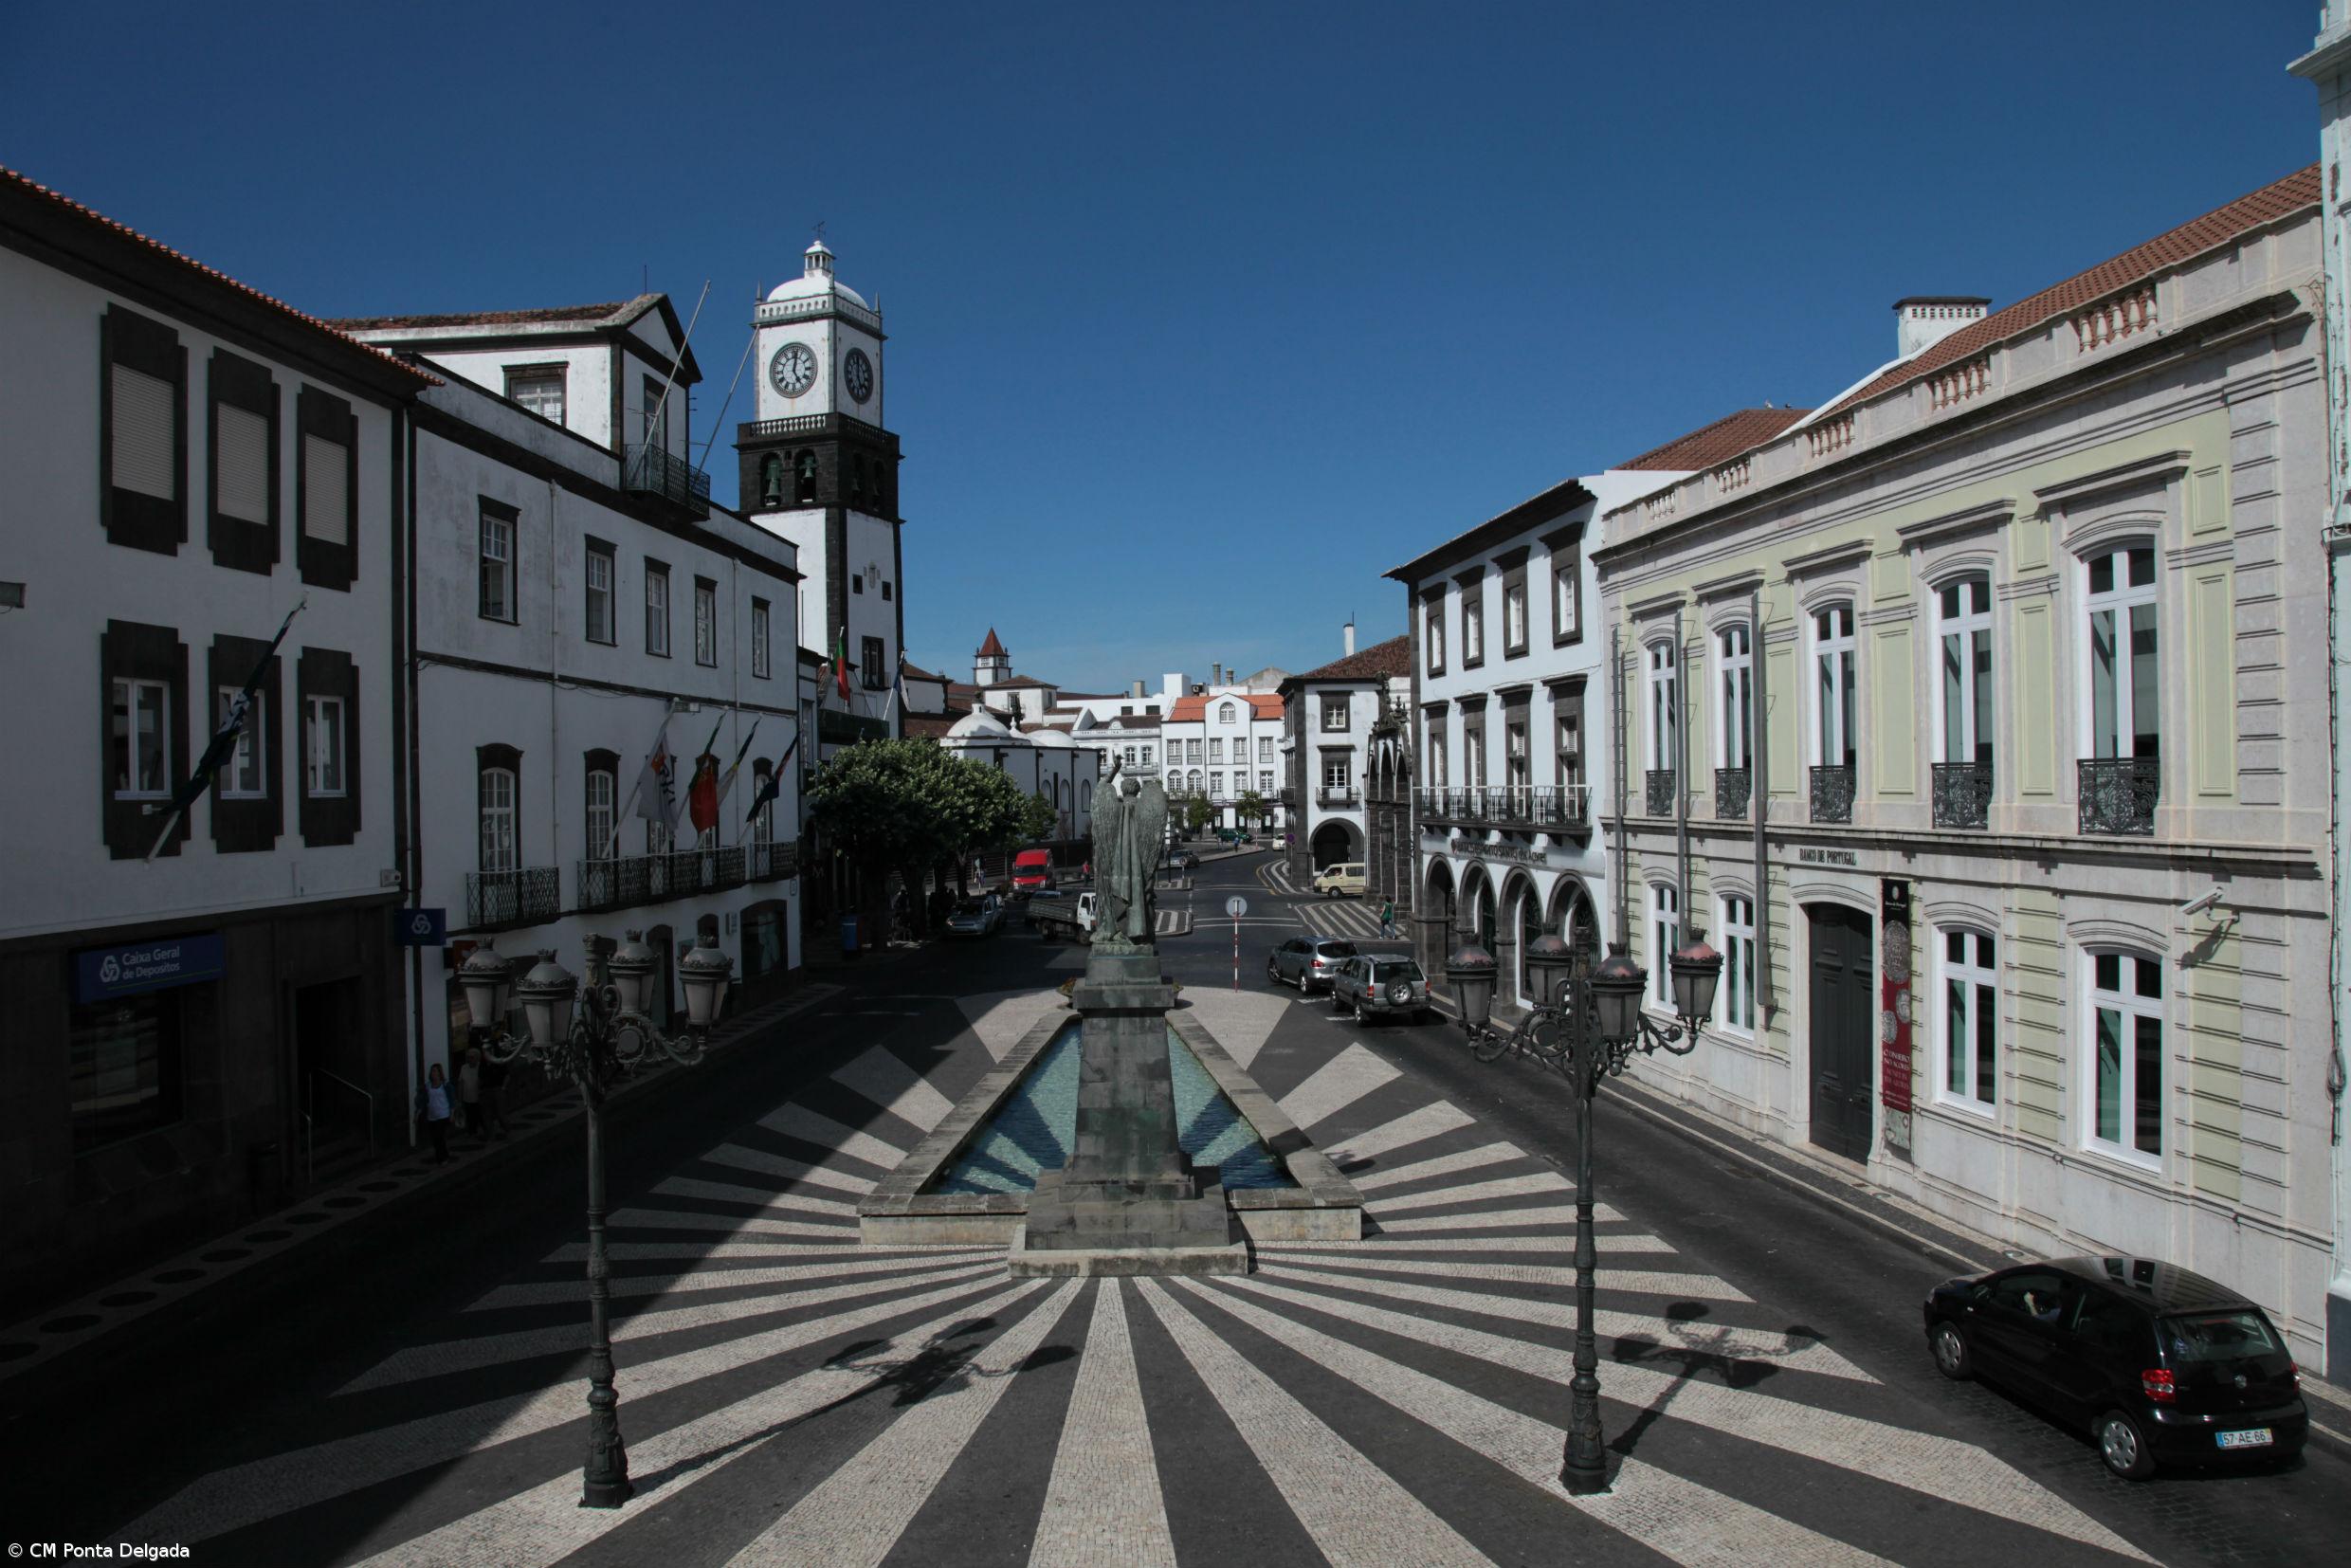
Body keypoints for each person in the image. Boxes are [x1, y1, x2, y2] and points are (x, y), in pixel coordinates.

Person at [417, 1062, 454, 1164]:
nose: (433, 1073)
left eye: (435, 1071)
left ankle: (442, 1158)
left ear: (439, 1073)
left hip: (443, 1115)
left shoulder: (445, 1085)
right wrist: (418, 1112)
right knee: (435, 1138)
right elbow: (423, 1100)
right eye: (432, 1071)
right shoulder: (428, 1086)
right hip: (432, 1116)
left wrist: (452, 1113)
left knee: (439, 1137)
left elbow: (451, 1100)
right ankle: (443, 1156)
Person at [478, 1048, 510, 1140]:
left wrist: (503, 1087)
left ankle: (507, 1131)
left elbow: (507, 1075)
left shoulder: (499, 1062)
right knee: (487, 1114)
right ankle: (490, 1135)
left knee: (501, 1114)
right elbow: (480, 1077)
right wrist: (480, 1090)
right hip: (486, 1090)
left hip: (497, 1089)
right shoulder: (482, 1064)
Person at [457, 1047, 483, 1139]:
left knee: (480, 1116)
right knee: (469, 1116)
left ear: (477, 1058)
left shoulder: (481, 1067)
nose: (469, 1059)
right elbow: (460, 1083)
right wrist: (459, 1099)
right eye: (468, 1057)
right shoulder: (464, 1068)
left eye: (472, 1057)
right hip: (467, 1098)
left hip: (478, 1098)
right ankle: (472, 1132)